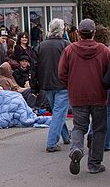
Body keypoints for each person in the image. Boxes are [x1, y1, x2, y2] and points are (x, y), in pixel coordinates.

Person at [59, 18, 110, 175]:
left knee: (79, 127)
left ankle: (77, 148)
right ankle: (94, 163)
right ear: (94, 32)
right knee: (99, 129)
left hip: (78, 94)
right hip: (99, 95)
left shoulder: (69, 50)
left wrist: (72, 83)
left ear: (79, 33)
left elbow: (61, 73)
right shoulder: (104, 50)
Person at [31, 18, 70, 152]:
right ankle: (52, 143)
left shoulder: (40, 46)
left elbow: (34, 67)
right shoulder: (66, 45)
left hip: (46, 83)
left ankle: (66, 136)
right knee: (59, 112)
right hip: (63, 84)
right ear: (61, 30)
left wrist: (34, 86)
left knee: (57, 111)